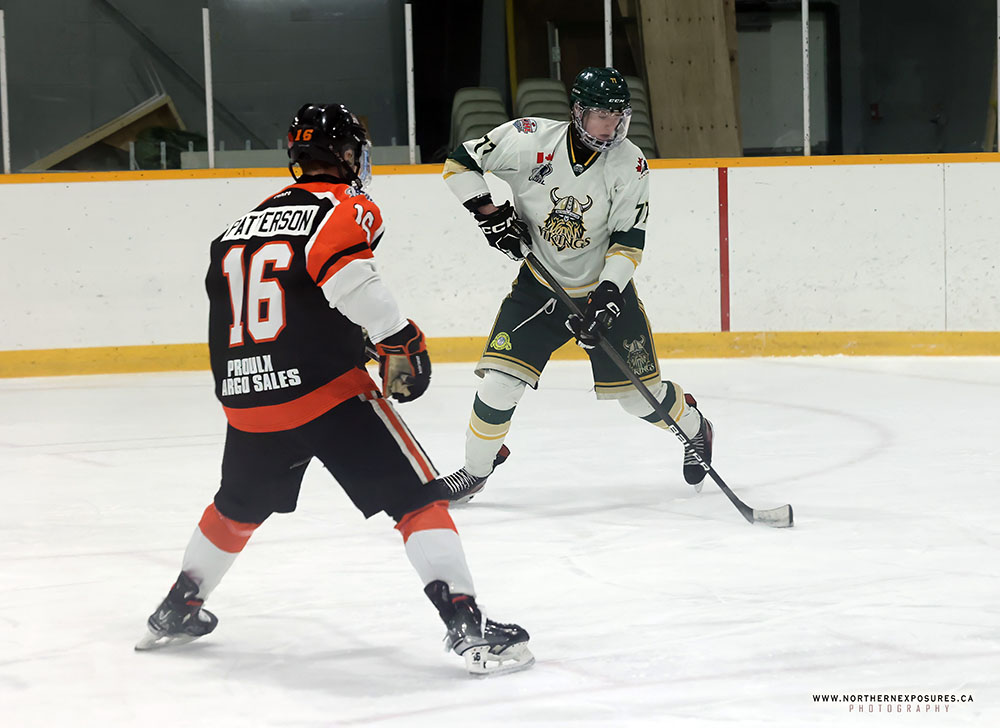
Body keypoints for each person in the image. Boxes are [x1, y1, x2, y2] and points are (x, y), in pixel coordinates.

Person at [135, 103, 533, 677]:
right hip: (326, 393)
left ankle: (177, 607)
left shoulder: (237, 227)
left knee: (236, 506)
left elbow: (252, 306)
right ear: (347, 154)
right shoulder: (345, 206)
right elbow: (349, 279)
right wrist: (397, 339)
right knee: (418, 500)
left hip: (247, 397)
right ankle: (468, 627)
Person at [437, 67, 714, 503]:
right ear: (578, 111)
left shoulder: (630, 164)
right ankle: (475, 471)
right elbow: (460, 162)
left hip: (603, 291)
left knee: (637, 399)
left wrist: (607, 296)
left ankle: (696, 428)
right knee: (499, 383)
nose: (611, 126)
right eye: (602, 115)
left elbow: (628, 241)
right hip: (539, 288)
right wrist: (491, 216)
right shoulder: (528, 139)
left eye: (618, 116)